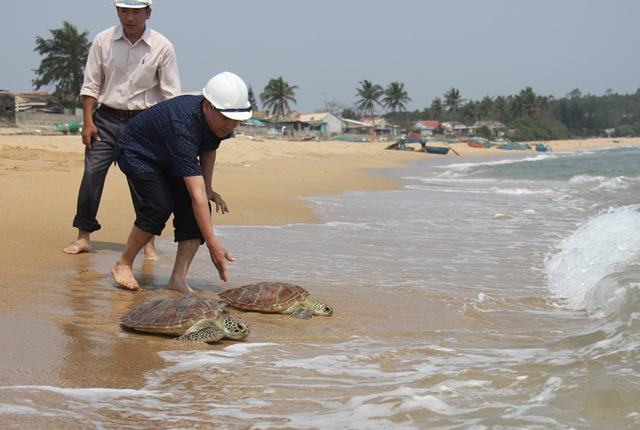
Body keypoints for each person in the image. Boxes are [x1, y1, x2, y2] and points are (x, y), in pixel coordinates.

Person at [111, 71, 252, 292]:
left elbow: (209, 148)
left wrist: (208, 187)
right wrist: (213, 244)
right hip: (138, 151)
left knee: (195, 212)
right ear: (207, 106)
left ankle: (177, 279)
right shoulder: (183, 124)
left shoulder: (221, 124)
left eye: (236, 119)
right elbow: (197, 198)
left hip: (169, 156)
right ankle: (123, 263)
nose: (230, 125)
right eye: (226, 117)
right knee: (159, 206)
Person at [63, 0, 180, 257]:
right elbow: (91, 85)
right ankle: (83, 236)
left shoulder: (162, 46)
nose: (130, 17)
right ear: (117, 11)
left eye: (136, 12)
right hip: (104, 120)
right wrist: (88, 121)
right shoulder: (102, 41)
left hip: (144, 124)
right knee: (92, 174)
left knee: (142, 183)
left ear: (148, 13)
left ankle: (148, 242)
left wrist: (165, 134)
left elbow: (170, 96)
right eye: (124, 11)